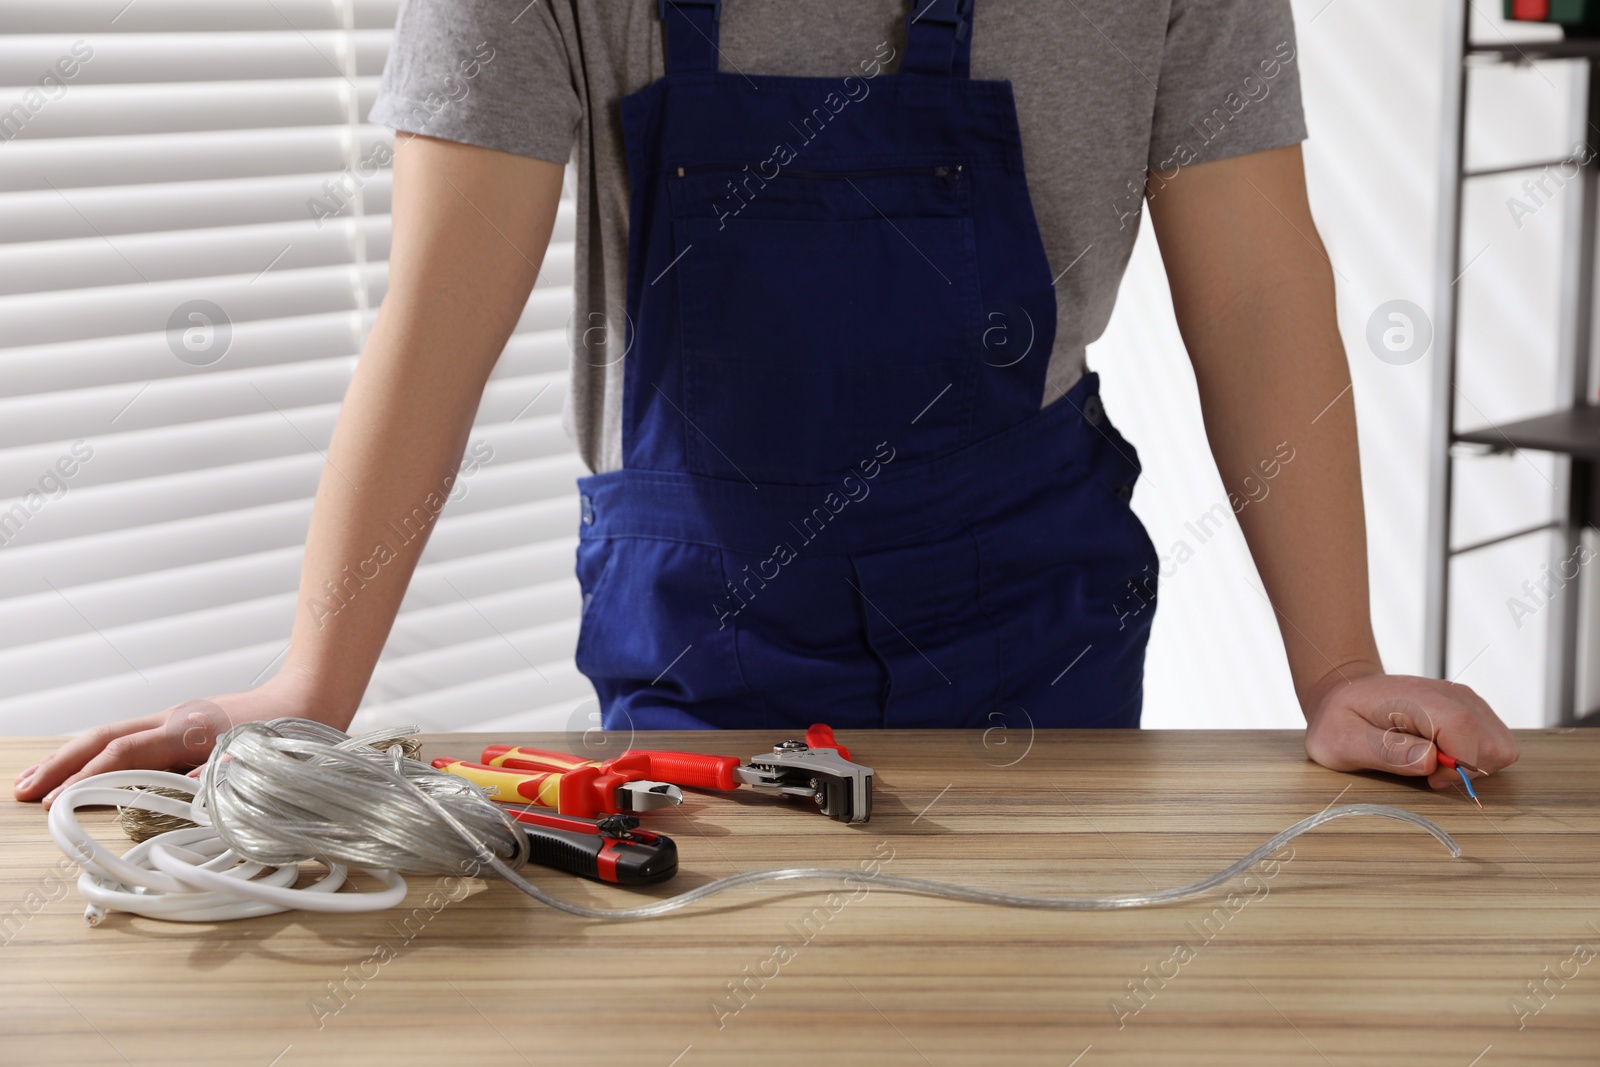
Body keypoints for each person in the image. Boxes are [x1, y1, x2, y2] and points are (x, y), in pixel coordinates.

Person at [15, 0, 1518, 808]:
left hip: (1034, 635)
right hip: (701, 634)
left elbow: (1259, 295)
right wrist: (312, 686)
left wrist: (1340, 667)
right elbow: (435, 322)